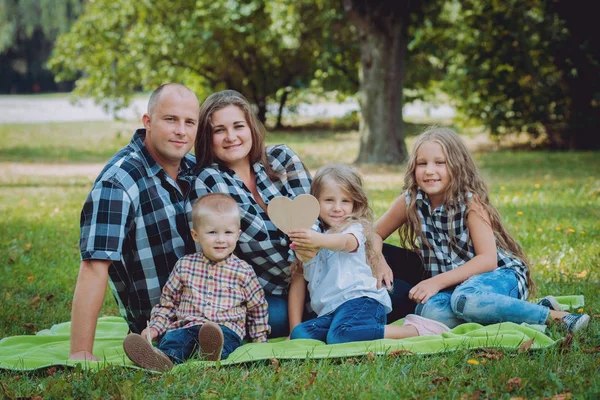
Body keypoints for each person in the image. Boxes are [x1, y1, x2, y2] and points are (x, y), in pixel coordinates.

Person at [190, 90, 424, 337]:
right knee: (276, 318)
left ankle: (445, 298)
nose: (231, 137)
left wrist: (376, 257)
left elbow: (322, 213)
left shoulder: (282, 158)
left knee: (411, 277)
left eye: (238, 126)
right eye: (219, 130)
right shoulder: (211, 182)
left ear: (251, 128)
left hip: (339, 255)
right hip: (283, 285)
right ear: (208, 136)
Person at [373, 127, 590, 332]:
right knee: (429, 312)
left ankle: (557, 318)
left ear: (457, 166)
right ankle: (521, 309)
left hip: (498, 275)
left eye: (440, 162)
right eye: (422, 164)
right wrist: (379, 262)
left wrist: (435, 281)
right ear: (413, 168)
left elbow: (488, 260)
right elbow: (373, 233)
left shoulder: (469, 203)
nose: (430, 171)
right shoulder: (410, 201)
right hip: (454, 287)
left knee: (466, 300)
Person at [69, 83, 200, 361]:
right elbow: (94, 265)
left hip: (212, 306)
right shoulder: (119, 182)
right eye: (170, 120)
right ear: (148, 122)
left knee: (289, 312)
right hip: (158, 324)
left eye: (190, 122)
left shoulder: (193, 168)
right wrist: (81, 351)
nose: (181, 130)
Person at [287, 164, 450, 344]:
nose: (337, 208)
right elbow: (298, 280)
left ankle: (414, 330)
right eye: (329, 200)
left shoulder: (353, 229)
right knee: (301, 334)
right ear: (315, 201)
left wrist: (317, 240)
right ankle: (349, 330)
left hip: (361, 301)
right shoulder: (311, 238)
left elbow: (345, 243)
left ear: (355, 204)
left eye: (345, 201)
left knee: (341, 336)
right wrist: (293, 328)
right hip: (330, 311)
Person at [122, 193, 269, 371]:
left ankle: (210, 352)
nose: (221, 239)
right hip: (187, 325)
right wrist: (154, 329)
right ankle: (161, 359)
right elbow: (168, 305)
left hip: (225, 328)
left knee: (223, 338)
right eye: (212, 232)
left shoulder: (243, 271)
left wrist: (260, 340)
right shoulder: (184, 265)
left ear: (238, 235)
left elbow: (257, 307)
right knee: (175, 341)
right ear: (196, 235)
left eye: (228, 232)